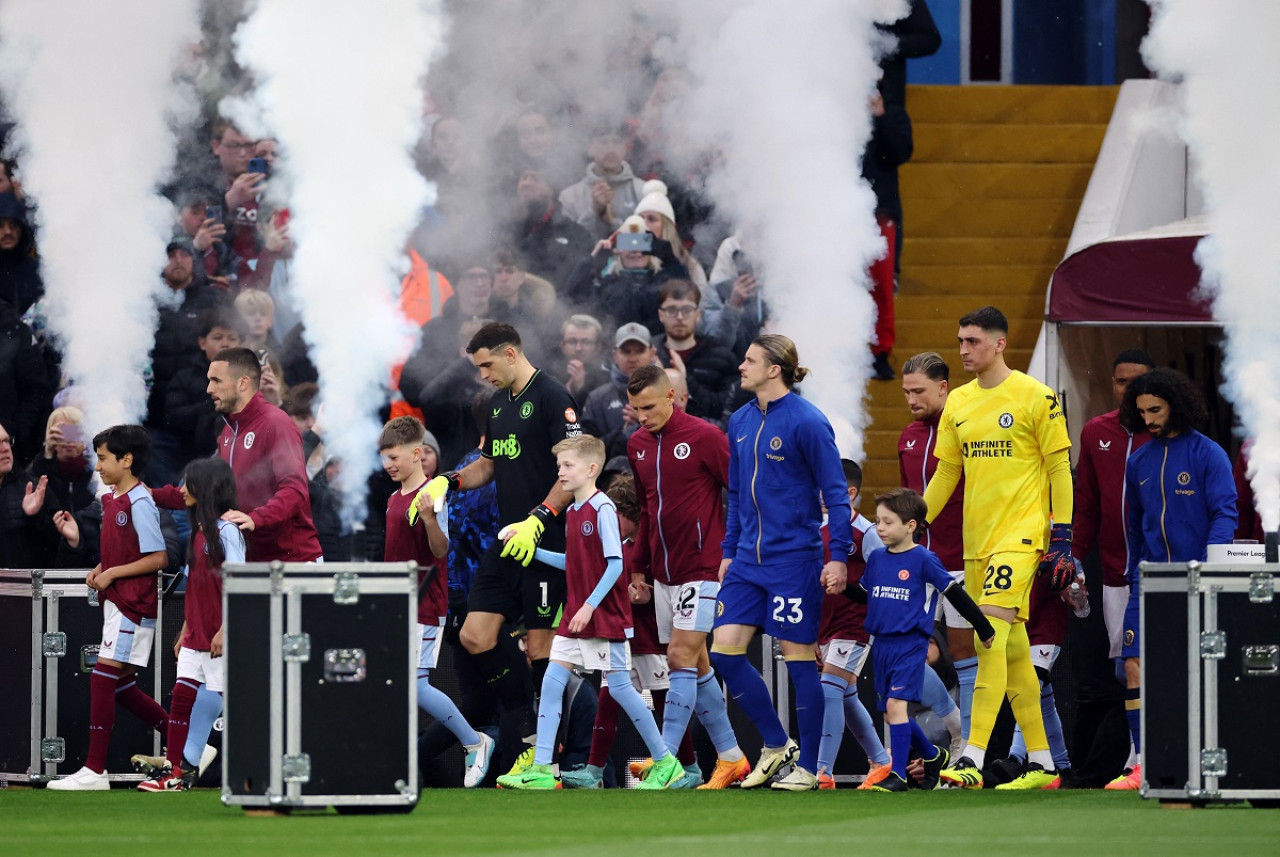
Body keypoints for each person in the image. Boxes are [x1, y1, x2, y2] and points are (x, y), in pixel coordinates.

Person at [409, 322, 581, 778]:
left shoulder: (553, 397)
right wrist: (449, 480)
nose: (482, 374)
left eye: (486, 364)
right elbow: (488, 464)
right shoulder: (496, 405)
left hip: (548, 541)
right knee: (474, 637)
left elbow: (575, 470)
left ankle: (545, 758)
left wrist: (540, 517)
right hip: (508, 541)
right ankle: (526, 726)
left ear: (509, 353)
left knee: (541, 646)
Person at [925, 306, 1074, 791]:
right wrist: (914, 523)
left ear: (999, 343)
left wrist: (1064, 536)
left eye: (972, 341)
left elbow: (1058, 468)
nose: (964, 350)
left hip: (1022, 536)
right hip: (978, 544)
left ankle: (971, 754)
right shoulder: (960, 402)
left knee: (989, 637)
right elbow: (948, 472)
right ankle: (1043, 764)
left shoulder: (1036, 396)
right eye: (961, 341)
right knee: (1013, 654)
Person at [496, 435, 683, 789]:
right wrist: (531, 552)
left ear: (591, 469)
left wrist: (588, 606)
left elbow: (615, 566)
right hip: (575, 619)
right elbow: (575, 563)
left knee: (623, 691)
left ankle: (665, 761)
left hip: (604, 618)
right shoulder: (574, 511)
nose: (561, 473)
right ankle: (543, 768)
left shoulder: (603, 509)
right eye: (559, 467)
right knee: (551, 684)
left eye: (567, 466)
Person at [713, 334, 850, 791]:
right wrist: (729, 552)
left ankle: (809, 768)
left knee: (797, 662)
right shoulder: (739, 420)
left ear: (775, 368)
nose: (741, 366)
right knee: (724, 653)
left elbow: (835, 493)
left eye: (750, 360)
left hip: (794, 560)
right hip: (747, 563)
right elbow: (734, 494)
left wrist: (839, 557)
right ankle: (776, 745)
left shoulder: (808, 422)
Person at [1108, 368, 1236, 791]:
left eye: (1155, 409)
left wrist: (1207, 568)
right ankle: (1143, 763)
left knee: (1195, 671)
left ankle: (1201, 760)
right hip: (1149, 581)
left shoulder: (1208, 454)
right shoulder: (1139, 460)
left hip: (1199, 578)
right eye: (1141, 411)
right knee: (1134, 666)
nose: (1148, 418)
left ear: (1175, 404)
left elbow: (1225, 515)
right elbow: (1134, 524)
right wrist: (1133, 574)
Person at [622, 365, 749, 789]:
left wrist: (735, 550)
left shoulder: (705, 437)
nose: (642, 416)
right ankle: (731, 757)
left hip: (703, 567)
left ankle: (668, 761)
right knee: (694, 663)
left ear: (672, 397)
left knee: (678, 655)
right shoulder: (637, 444)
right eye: (636, 408)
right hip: (662, 572)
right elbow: (645, 511)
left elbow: (743, 492)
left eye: (650, 406)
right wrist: (639, 569)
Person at [846, 488, 994, 792]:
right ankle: (932, 755)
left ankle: (897, 774)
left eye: (888, 522)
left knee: (897, 706)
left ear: (911, 525)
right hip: (882, 645)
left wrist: (983, 627)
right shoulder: (876, 559)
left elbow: (955, 594)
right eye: (878, 522)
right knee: (890, 713)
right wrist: (836, 585)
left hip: (910, 644)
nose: (880, 529)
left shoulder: (924, 560)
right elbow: (863, 595)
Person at [48, 426, 170, 790]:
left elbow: (159, 556)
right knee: (121, 687)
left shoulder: (140, 502)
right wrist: (102, 568)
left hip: (132, 604)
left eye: (103, 458)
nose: (97, 465)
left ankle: (95, 770)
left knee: (103, 677)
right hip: (117, 602)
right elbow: (126, 551)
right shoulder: (113, 499)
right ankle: (189, 746)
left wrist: (113, 571)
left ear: (126, 460)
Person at [562, 473, 699, 789]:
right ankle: (593, 772)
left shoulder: (654, 548)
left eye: (614, 514)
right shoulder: (618, 547)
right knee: (607, 704)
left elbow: (664, 594)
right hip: (623, 640)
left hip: (653, 641)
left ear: (627, 513)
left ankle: (689, 770)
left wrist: (644, 598)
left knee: (666, 705)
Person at [379, 416, 494, 788]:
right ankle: (393, 758)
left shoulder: (433, 495)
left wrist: (429, 517)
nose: (389, 464)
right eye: (384, 458)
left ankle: (474, 741)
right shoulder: (393, 497)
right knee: (395, 684)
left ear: (417, 453)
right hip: (398, 602)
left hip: (425, 602)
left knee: (414, 684)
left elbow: (441, 549)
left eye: (394, 456)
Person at [136, 458, 243, 792]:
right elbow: (197, 585)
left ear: (207, 488)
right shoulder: (198, 533)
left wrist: (226, 629)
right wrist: (185, 627)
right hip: (197, 634)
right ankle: (176, 771)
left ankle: (263, 767)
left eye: (188, 484)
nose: (181, 490)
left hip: (218, 635)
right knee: (181, 698)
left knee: (237, 701)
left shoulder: (228, 531)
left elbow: (239, 583)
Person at [898, 352, 974, 742]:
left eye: (919, 391)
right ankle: (955, 723)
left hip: (962, 558)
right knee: (906, 652)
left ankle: (970, 748)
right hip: (919, 563)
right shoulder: (908, 436)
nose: (911, 399)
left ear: (943, 387)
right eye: (906, 391)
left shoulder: (967, 429)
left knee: (964, 652)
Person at [1072, 350, 1154, 663]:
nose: (1129, 389)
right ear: (1113, 384)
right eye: (1122, 382)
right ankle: (1134, 714)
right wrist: (1074, 560)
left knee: (1162, 663)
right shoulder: (1096, 432)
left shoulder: (1171, 435)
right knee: (1124, 666)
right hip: (1115, 573)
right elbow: (1087, 507)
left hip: (1162, 571)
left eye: (1139, 382)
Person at [815, 459, 891, 790]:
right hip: (822, 623)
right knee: (845, 696)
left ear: (850, 492)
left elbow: (886, 575)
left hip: (854, 623)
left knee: (829, 689)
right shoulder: (813, 526)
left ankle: (821, 772)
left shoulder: (866, 532)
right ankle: (881, 760)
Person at [651, 280, 739, 424]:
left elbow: (725, 409)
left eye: (687, 310)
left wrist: (685, 380)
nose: (679, 317)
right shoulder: (648, 354)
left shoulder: (722, 357)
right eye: (672, 310)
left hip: (706, 439)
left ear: (698, 314)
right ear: (661, 315)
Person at [558, 122, 648, 241]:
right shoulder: (569, 197)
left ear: (625, 148)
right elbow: (569, 247)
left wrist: (613, 222)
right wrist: (594, 212)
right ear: (590, 148)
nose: (610, 150)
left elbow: (648, 247)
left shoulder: (643, 191)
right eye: (603, 142)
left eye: (616, 142)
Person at [581, 322, 656, 459]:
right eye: (626, 352)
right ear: (614, 355)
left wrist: (649, 422)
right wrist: (623, 433)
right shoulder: (597, 398)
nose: (633, 359)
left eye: (639, 351)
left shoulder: (668, 391)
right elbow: (584, 451)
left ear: (652, 353)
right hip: (610, 476)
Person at [549, 314, 610, 400]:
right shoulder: (548, 379)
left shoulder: (608, 382)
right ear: (562, 346)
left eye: (586, 342)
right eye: (572, 341)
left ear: (597, 348)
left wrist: (580, 389)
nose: (578, 348)